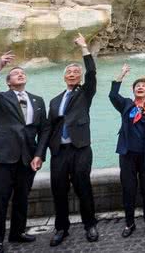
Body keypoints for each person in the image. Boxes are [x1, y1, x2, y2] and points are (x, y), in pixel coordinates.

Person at [0, 52, 50, 253]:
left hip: (28, 157)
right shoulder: (0, 98)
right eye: (15, 73)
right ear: (9, 82)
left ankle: (17, 233)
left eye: (22, 73)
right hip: (3, 156)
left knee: (22, 197)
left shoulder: (38, 100)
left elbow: (44, 129)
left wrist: (39, 154)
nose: (20, 74)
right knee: (0, 200)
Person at [48, 33, 99, 246]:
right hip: (59, 151)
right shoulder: (54, 101)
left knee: (83, 186)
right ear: (64, 77)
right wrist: (40, 154)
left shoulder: (85, 93)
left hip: (80, 148)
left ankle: (90, 225)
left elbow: (93, 72)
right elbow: (48, 129)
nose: (72, 74)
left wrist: (84, 48)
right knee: (58, 190)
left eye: (76, 71)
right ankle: (61, 228)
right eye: (69, 71)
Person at [109, 65, 145, 237]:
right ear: (133, 90)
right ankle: (129, 223)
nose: (140, 87)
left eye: (144, 86)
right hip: (127, 155)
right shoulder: (126, 104)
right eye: (137, 86)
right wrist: (122, 74)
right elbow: (112, 95)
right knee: (128, 190)